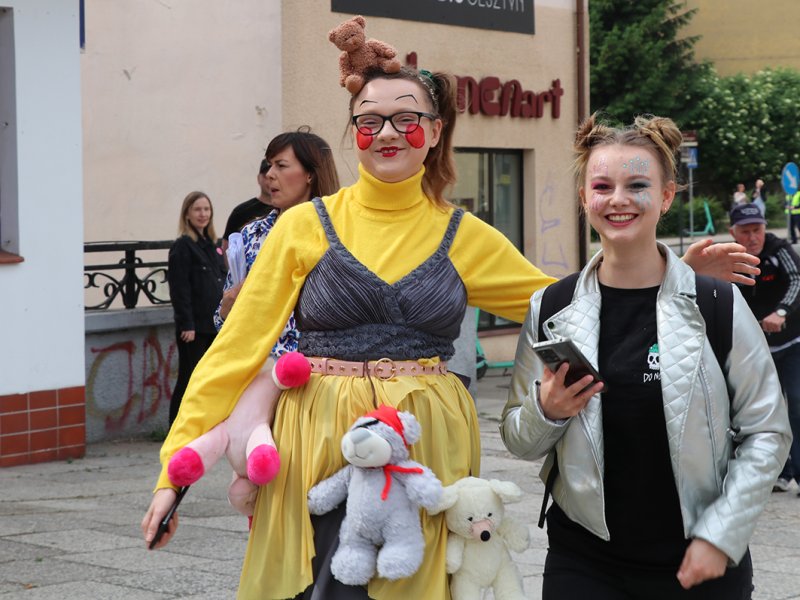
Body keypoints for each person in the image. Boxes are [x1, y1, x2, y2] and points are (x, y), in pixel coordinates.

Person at [142, 23, 762, 599]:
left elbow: (568, 301)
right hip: (318, 442)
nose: (388, 133)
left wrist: (668, 277)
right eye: (369, 121)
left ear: (435, 132)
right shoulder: (302, 226)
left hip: (428, 445)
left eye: (406, 119)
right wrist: (174, 475)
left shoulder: (463, 233)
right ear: (353, 131)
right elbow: (235, 350)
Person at [501, 115, 791, 599]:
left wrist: (721, 534)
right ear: (584, 198)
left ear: (666, 196)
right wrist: (546, 411)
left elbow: (768, 431)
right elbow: (518, 439)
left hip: (699, 561)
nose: (618, 199)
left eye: (637, 185)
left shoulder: (716, 304)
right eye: (602, 186)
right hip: (584, 560)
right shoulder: (551, 307)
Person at [212, 129, 340, 514]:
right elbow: (224, 323)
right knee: (263, 490)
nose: (269, 175)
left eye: (281, 166)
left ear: (311, 174)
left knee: (313, 492)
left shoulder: (341, 234)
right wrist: (227, 307)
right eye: (269, 165)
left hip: (319, 380)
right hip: (261, 379)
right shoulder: (252, 234)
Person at [729, 203, 800, 495]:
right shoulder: (728, 258)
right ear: (733, 233)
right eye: (745, 232)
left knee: (796, 405)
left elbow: (797, 280)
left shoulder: (778, 250)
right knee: (763, 414)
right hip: (753, 351)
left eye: (757, 230)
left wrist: (781, 313)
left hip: (791, 343)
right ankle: (780, 473)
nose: (752, 238)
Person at [166, 191, 226, 425]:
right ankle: (176, 428)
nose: (203, 214)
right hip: (194, 329)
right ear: (187, 214)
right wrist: (186, 324)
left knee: (209, 380)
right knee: (189, 379)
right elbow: (179, 289)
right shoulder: (183, 247)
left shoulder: (212, 245)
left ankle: (201, 426)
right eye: (197, 209)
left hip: (213, 325)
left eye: (206, 209)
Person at [221, 157, 274, 250]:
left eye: (273, 177)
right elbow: (227, 246)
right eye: (266, 176)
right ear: (258, 178)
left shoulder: (287, 210)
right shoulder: (241, 212)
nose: (270, 181)